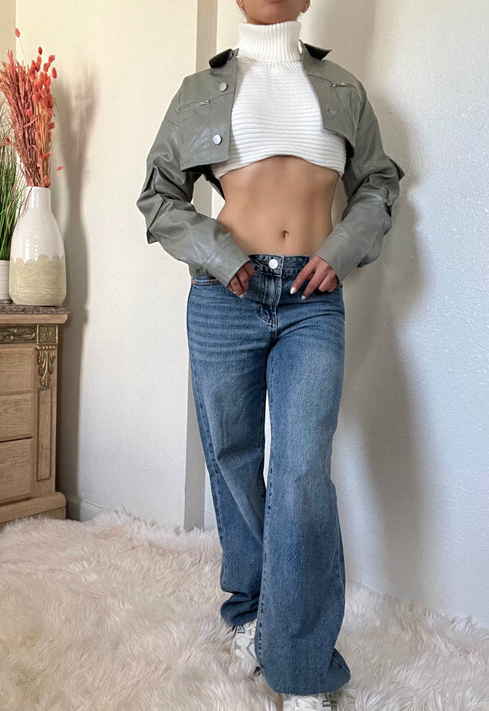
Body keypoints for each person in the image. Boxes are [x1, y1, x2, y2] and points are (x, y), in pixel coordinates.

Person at [137, 1, 405, 708]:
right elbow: (159, 196)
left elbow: (379, 183)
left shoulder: (343, 89)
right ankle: (248, 611)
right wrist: (217, 255)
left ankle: (301, 663)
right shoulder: (199, 91)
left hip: (312, 298)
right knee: (231, 456)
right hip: (226, 292)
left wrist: (342, 249)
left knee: (300, 472)